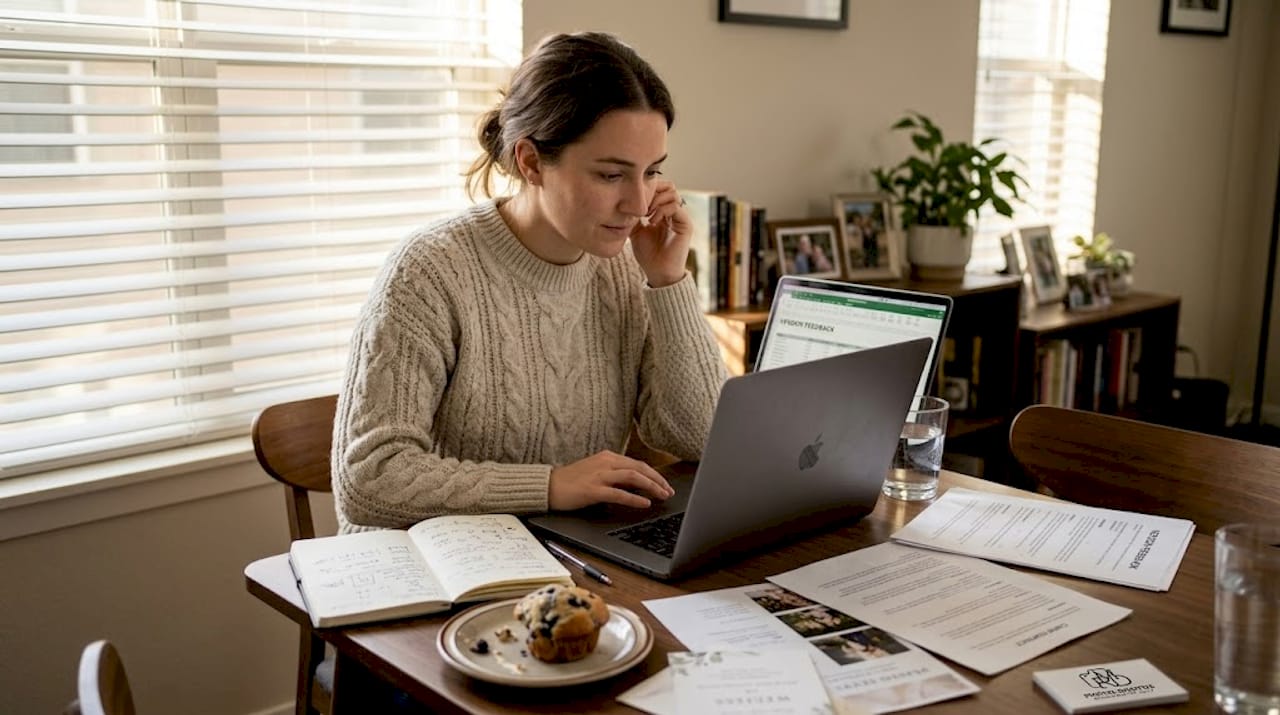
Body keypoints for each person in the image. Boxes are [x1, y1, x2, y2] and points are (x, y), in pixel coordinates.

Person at [331, 32, 728, 533]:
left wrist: (668, 280)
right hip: (422, 564)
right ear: (532, 162)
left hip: (562, 552)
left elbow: (702, 438)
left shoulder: (628, 265)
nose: (639, 203)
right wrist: (551, 485)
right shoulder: (429, 271)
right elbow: (368, 479)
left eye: (651, 173)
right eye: (611, 175)